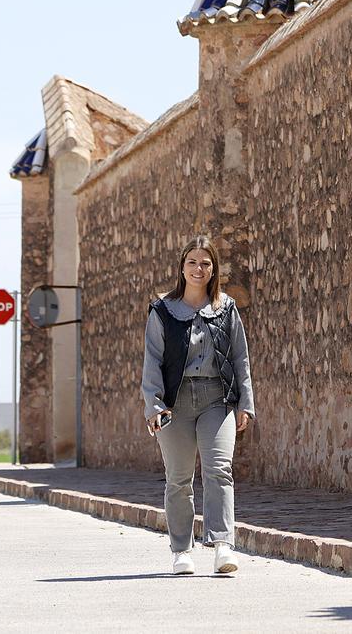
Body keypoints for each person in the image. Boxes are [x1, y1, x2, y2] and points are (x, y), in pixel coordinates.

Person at [141, 235, 256, 575]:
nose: (198, 268)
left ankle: (223, 546)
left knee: (219, 469)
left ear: (213, 269)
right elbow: (152, 360)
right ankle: (181, 551)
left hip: (216, 400)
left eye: (205, 263)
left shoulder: (226, 308)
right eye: (192, 261)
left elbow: (240, 358)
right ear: (182, 266)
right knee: (178, 478)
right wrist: (153, 405)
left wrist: (245, 403)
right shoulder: (163, 310)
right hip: (174, 405)